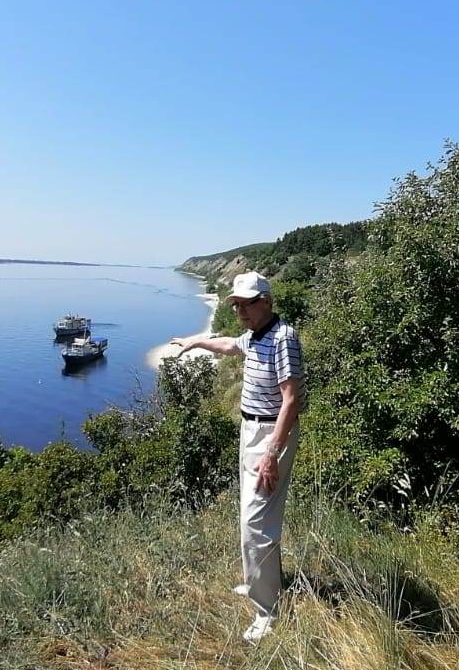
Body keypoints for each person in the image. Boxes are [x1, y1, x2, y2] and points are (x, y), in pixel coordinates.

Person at [171, 271, 305, 642]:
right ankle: (259, 583)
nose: (239, 311)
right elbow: (232, 346)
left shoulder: (283, 338)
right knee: (250, 514)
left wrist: (272, 453)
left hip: (269, 435)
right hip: (251, 430)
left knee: (256, 523)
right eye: (235, 304)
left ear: (266, 301)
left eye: (246, 304)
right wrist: (198, 341)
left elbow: (291, 400)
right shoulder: (256, 335)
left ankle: (268, 612)